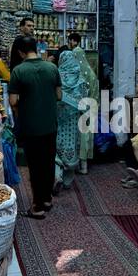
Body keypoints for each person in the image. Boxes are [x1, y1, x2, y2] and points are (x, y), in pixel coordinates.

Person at [7, 36, 61, 219]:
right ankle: (46, 199)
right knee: (48, 162)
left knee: (35, 166)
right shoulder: (52, 68)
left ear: (21, 52)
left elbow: (13, 100)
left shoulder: (18, 71)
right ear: (36, 48)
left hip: (31, 126)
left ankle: (37, 206)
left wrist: (22, 105)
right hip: (50, 124)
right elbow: (59, 95)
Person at [55, 47, 90, 193]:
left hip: (57, 117)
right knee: (71, 146)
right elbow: (84, 102)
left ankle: (57, 175)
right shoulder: (81, 80)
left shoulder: (57, 77)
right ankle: (68, 182)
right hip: (73, 120)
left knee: (56, 145)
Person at [66, 32, 97, 173]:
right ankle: (83, 165)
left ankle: (77, 163)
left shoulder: (74, 76)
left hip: (78, 110)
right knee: (86, 134)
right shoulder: (91, 74)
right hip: (90, 108)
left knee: (77, 135)